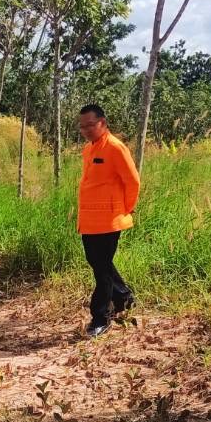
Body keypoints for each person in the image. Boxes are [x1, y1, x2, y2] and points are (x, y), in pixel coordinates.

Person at [76, 103, 141, 338]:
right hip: (90, 219)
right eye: (82, 126)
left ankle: (101, 317)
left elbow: (133, 181)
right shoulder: (88, 149)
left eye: (90, 125)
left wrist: (128, 209)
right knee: (97, 261)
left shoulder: (115, 148)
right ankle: (123, 297)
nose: (86, 130)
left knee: (101, 268)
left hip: (111, 218)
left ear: (103, 123)